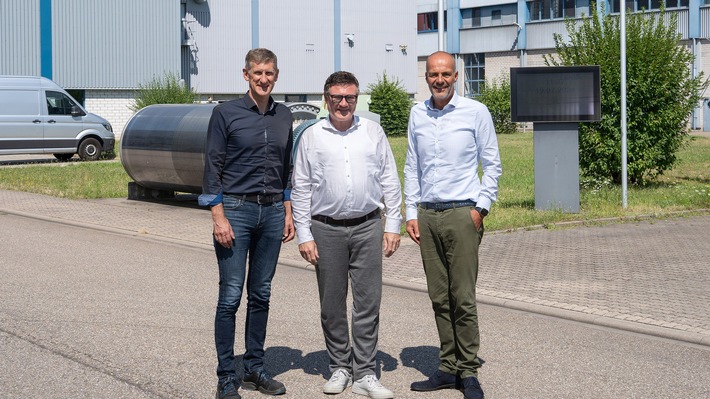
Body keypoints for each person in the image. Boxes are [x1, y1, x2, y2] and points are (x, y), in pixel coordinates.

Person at [291, 71, 402, 399]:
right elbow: (300, 188)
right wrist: (303, 234)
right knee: (332, 303)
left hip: (368, 226)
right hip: (325, 229)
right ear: (326, 100)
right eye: (337, 97)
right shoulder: (311, 136)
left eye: (349, 97)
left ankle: (365, 373)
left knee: (368, 302)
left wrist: (393, 225)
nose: (343, 103)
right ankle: (340, 366)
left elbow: (390, 181)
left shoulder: (372, 132)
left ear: (357, 98)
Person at [404, 51, 502, 399]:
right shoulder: (418, 113)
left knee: (463, 297)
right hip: (427, 215)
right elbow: (411, 165)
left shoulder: (475, 112)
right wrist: (410, 213)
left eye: (446, 74)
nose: (440, 80)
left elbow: (492, 164)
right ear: (427, 77)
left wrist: (480, 210)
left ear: (456, 76)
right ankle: (448, 367)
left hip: (463, 213)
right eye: (434, 74)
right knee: (438, 297)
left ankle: (469, 371)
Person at [199, 48, 295, 399]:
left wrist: (287, 209)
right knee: (229, 296)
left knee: (262, 294)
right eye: (258, 73)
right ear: (246, 75)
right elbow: (212, 166)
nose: (264, 79)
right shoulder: (225, 113)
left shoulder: (284, 115)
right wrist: (218, 215)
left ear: (276, 75)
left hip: (271, 213)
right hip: (236, 211)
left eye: (269, 73)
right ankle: (227, 375)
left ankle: (254, 367)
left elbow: (286, 168)